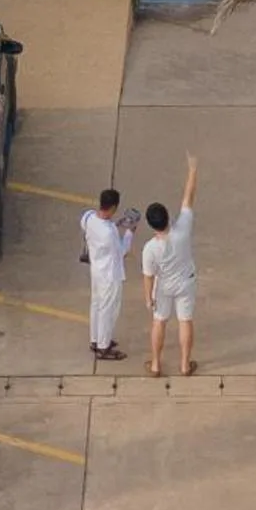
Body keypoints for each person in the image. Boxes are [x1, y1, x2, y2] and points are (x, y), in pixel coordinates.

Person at [140, 153, 199, 378]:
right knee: (185, 321)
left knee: (159, 321)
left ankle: (156, 364)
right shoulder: (183, 229)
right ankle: (185, 364)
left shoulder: (150, 248)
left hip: (163, 286)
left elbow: (148, 276)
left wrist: (148, 298)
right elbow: (188, 198)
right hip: (186, 281)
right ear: (167, 217)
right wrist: (192, 170)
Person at [80, 187, 133, 361]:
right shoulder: (109, 234)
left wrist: (116, 225)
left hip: (96, 270)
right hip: (110, 275)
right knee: (108, 310)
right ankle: (104, 346)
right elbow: (122, 251)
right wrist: (130, 232)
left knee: (96, 305)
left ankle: (95, 339)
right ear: (113, 208)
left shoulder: (88, 217)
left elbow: (94, 228)